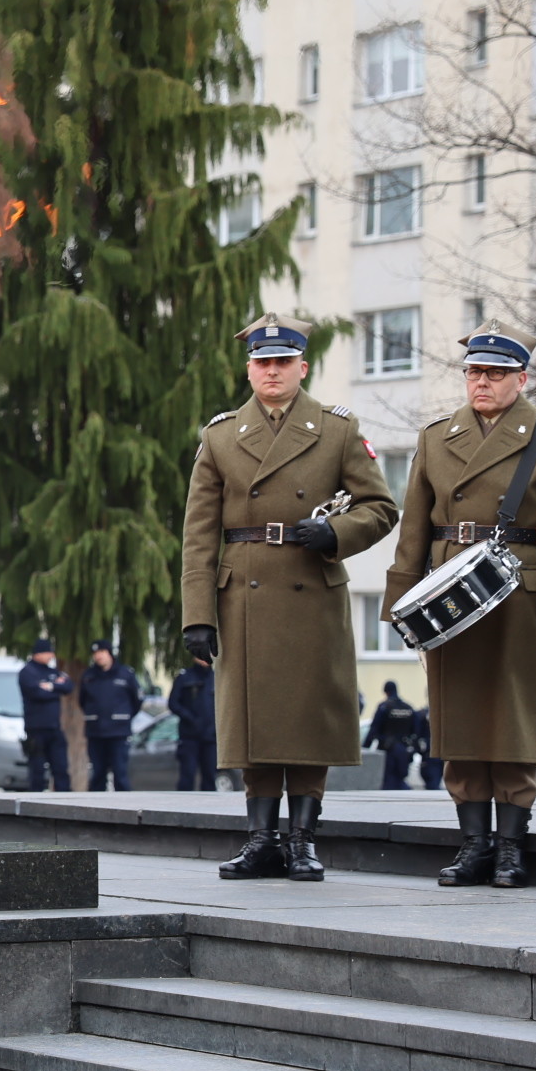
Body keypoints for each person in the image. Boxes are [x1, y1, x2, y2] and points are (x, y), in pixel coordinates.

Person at [180, 316, 399, 880]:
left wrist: (336, 533)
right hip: (243, 596)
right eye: (263, 362)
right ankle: (261, 840)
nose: (272, 372)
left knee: (307, 721)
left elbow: (381, 508)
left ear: (303, 367)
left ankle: (302, 840)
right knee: (251, 724)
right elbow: (199, 534)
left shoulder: (337, 430)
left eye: (282, 362)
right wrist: (197, 615)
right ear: (248, 369)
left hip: (312, 589)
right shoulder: (221, 436)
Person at [384, 323, 536, 888]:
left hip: (518, 595)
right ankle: (474, 845)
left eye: (497, 373)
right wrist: (401, 602)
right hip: (449, 598)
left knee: (514, 723)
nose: (483, 382)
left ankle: (510, 849)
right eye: (475, 372)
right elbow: (414, 526)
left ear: (521, 379)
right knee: (458, 724)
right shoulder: (436, 436)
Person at [77, 640, 143, 792]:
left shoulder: (125, 674)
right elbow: (82, 701)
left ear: (110, 654)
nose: (98, 656)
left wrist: (124, 716)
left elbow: (137, 700)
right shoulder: (89, 676)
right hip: (96, 731)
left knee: (120, 772)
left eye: (102, 652)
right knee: (98, 773)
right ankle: (96, 804)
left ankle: (124, 804)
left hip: (118, 732)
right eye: (95, 653)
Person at [16, 637, 73, 792]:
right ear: (38, 653)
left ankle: (65, 799)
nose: (51, 656)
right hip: (36, 729)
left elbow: (68, 686)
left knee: (61, 768)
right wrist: (56, 688)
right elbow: (36, 693)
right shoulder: (27, 672)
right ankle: (35, 800)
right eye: (48, 652)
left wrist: (50, 686)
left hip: (54, 728)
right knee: (37, 770)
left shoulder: (52, 671)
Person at [168, 653, 217, 792]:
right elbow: (173, 703)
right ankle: (184, 804)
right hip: (190, 736)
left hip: (211, 737)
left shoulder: (216, 678)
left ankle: (209, 805)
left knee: (210, 777)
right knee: (187, 776)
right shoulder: (185, 677)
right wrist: (190, 717)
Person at [366, 680, 419, 792]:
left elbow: (374, 728)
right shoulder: (408, 708)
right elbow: (416, 731)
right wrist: (413, 749)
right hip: (404, 749)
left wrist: (365, 747)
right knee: (401, 780)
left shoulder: (384, 707)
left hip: (388, 750)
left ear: (386, 692)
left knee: (388, 782)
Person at [414, 706, 444, 790]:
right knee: (433, 783)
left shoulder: (422, 714)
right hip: (433, 753)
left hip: (431, 753)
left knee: (433, 783)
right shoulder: (423, 714)